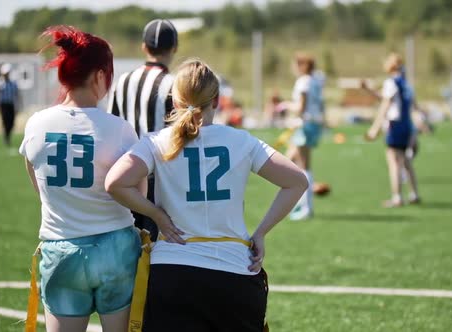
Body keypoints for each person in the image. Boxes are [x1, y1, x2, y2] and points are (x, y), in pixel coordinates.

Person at [105, 59, 308, 332]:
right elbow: (297, 181)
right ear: (217, 101)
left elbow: (115, 183)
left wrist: (156, 215)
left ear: (174, 103)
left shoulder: (156, 141)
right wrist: (260, 233)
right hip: (235, 274)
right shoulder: (243, 141)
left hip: (172, 273)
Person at [19, 26, 141, 332]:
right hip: (115, 247)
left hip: (61, 247)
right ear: (100, 76)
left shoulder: (37, 123)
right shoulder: (120, 129)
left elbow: (38, 183)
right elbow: (138, 193)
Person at [107, 19, 178, 240]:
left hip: (125, 175)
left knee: (130, 249)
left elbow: (111, 125)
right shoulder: (174, 84)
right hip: (160, 180)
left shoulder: (123, 81)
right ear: (174, 48)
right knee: (155, 249)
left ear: (144, 47)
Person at [365, 53, 420, 208]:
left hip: (395, 126)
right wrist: (368, 89)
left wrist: (374, 128)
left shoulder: (391, 82)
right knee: (407, 162)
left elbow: (385, 105)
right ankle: (414, 194)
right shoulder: (406, 83)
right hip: (407, 125)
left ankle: (397, 197)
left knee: (394, 162)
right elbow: (387, 98)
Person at [286, 53, 325, 220]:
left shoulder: (303, 82)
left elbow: (300, 107)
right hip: (313, 124)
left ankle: (306, 207)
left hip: (305, 124)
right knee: (291, 160)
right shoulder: (315, 80)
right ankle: (298, 203)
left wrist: (285, 105)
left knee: (304, 167)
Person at [0, 63, 20, 146]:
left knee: (11, 123)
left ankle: (8, 136)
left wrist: (18, 106)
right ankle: (6, 138)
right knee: (5, 122)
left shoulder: (13, 84)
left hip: (11, 105)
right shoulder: (0, 83)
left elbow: (17, 95)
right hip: (4, 105)